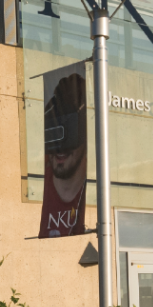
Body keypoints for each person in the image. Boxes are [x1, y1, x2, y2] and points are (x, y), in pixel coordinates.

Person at [39, 72, 87, 238]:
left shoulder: (96, 187)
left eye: (70, 133)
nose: (60, 148)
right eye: (54, 132)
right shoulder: (40, 177)